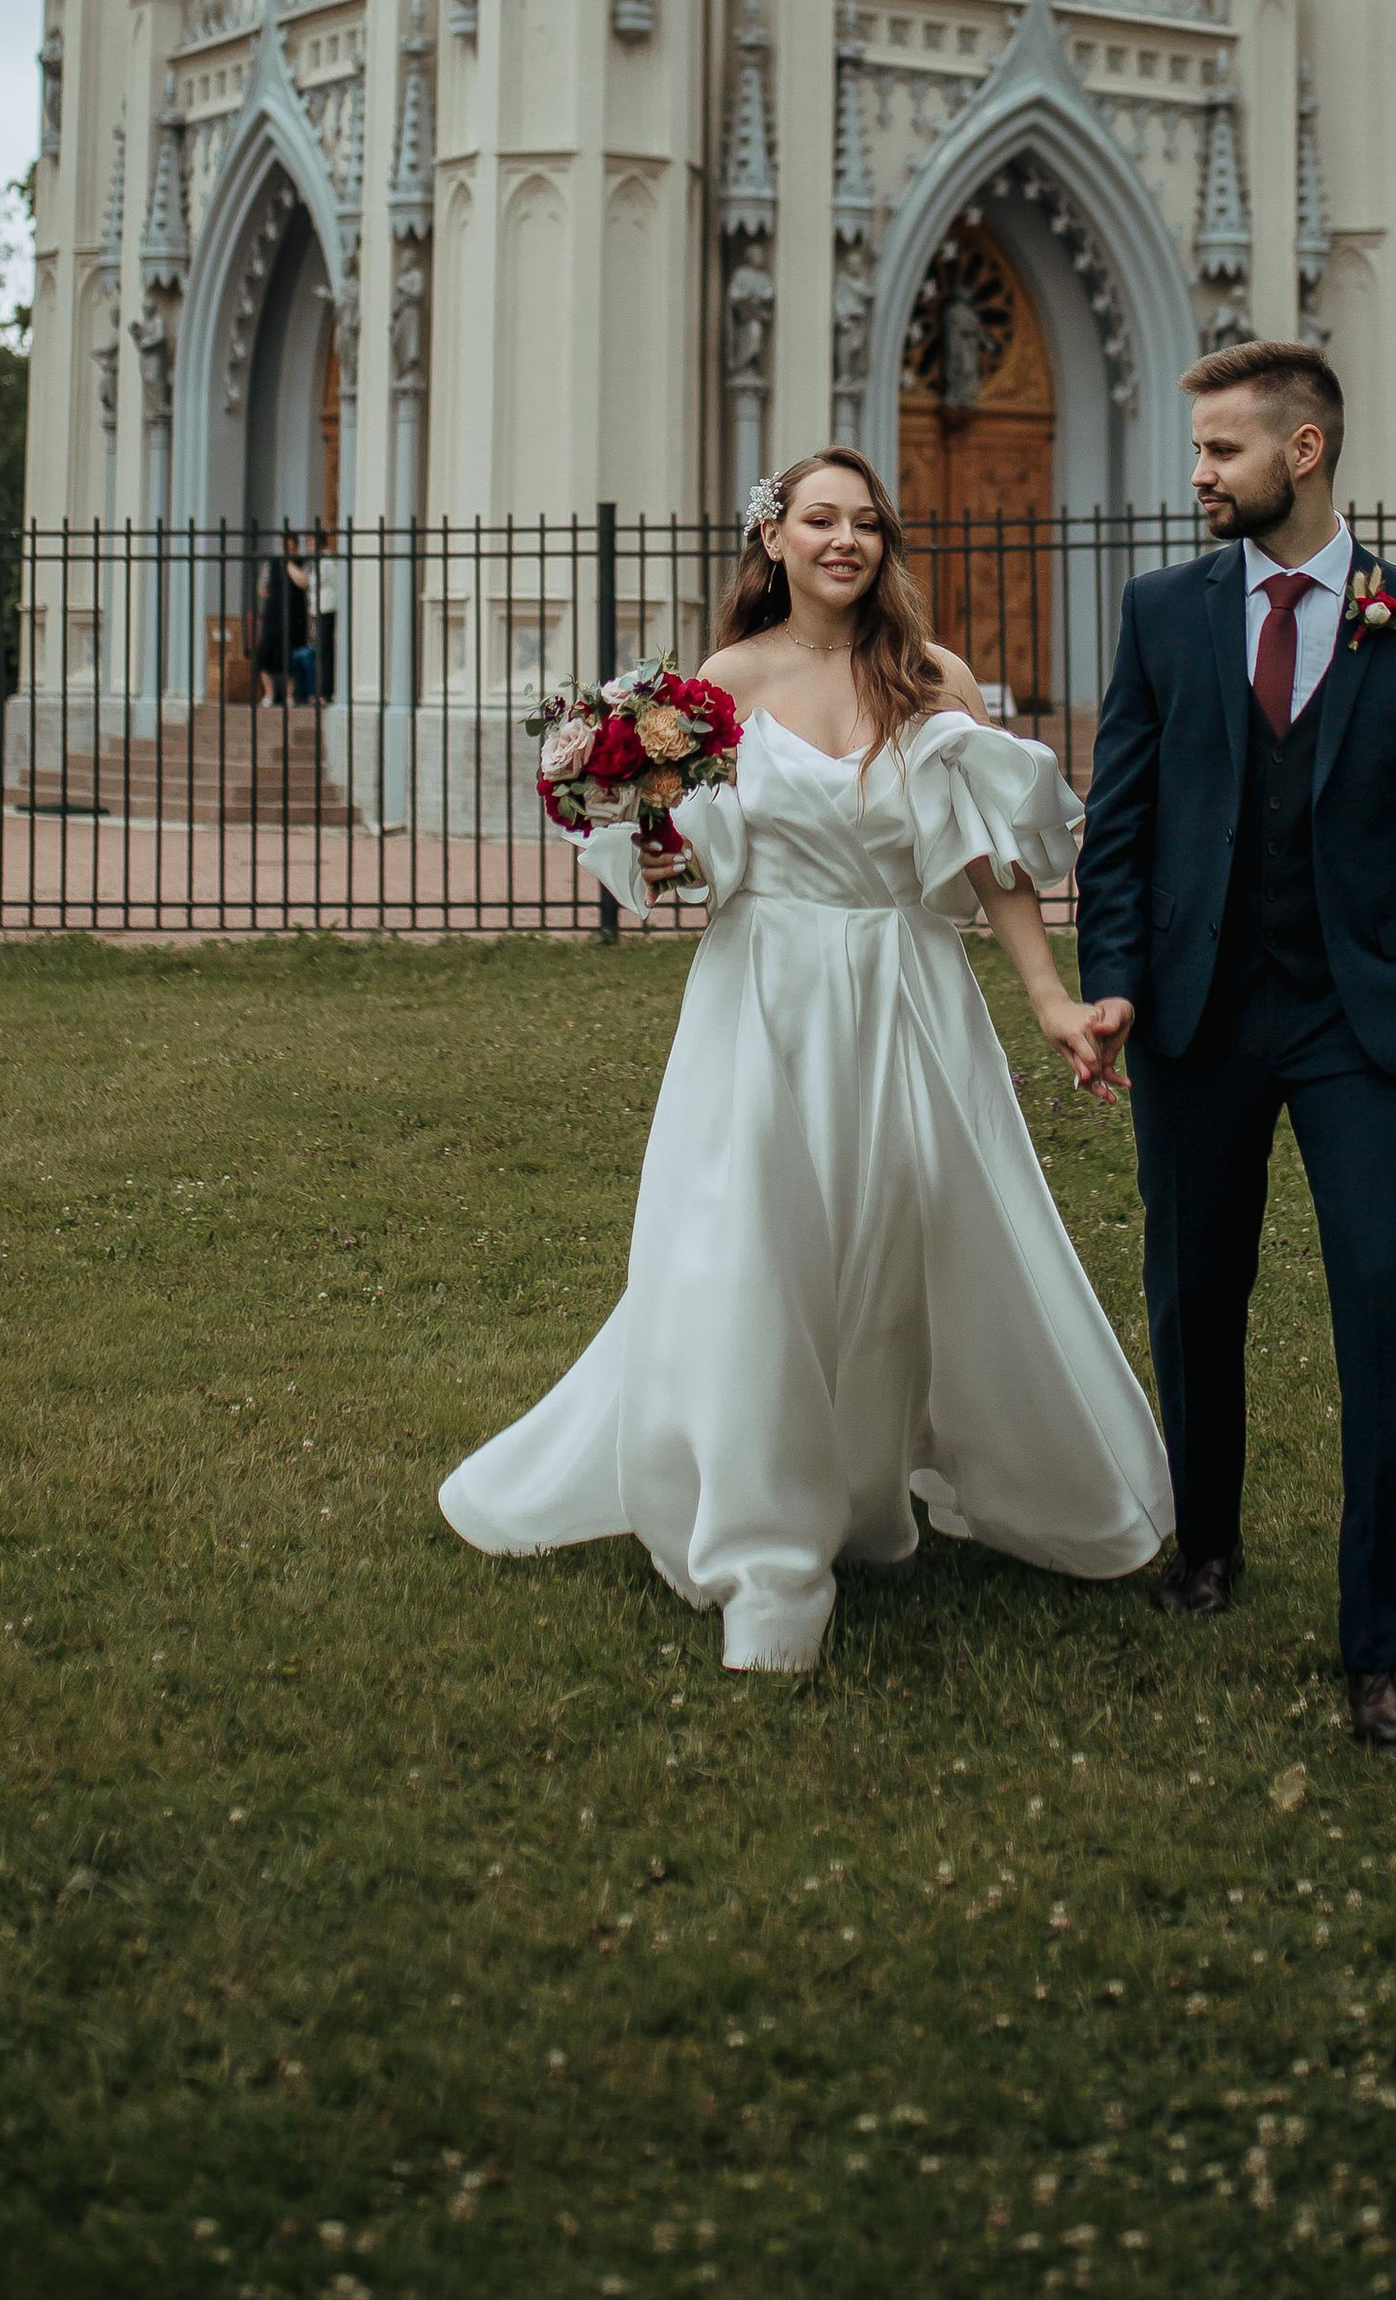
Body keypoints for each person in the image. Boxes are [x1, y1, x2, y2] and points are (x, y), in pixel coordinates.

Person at [439, 448, 1169, 1673]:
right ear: (770, 539)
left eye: (868, 525)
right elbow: (694, 861)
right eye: (820, 520)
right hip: (762, 993)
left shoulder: (929, 677)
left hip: (903, 991)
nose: (847, 542)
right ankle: (764, 1556)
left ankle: (864, 1496)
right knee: (751, 1252)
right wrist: (651, 841)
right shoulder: (716, 685)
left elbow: (991, 854)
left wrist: (1049, 995)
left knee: (891, 1252)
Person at [1073, 341, 1396, 1751]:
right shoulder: (1161, 614)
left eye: (1220, 451)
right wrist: (1114, 988)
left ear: (1303, 452)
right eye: (1199, 451)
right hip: (1197, 1016)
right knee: (1194, 1293)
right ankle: (1206, 1548)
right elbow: (1121, 828)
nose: (1197, 474)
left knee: (1386, 1317)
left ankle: (1382, 1649)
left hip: (1363, 1023)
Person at [254, 529, 317, 707]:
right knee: (265, 654)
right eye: (285, 547)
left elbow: (303, 582)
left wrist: (288, 564)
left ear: (296, 548)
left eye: (291, 547)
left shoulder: (301, 562)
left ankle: (290, 695)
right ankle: (269, 694)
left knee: (290, 655)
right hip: (273, 615)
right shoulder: (271, 564)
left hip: (294, 616)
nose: (287, 550)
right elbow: (261, 588)